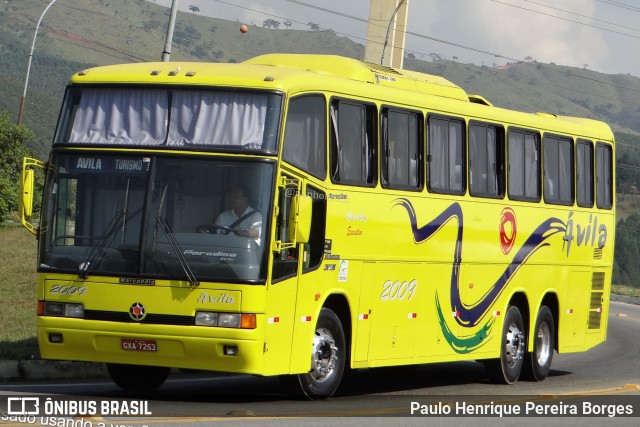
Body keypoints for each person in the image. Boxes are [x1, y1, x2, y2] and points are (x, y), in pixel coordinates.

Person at [198, 185, 263, 245]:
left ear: (245, 198)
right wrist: (206, 233)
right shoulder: (223, 216)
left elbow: (256, 233)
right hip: (227, 250)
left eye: (237, 196)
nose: (232, 199)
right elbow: (216, 233)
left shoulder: (256, 215)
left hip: (245, 251)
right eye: (231, 196)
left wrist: (244, 233)